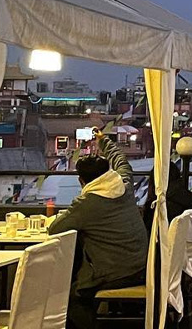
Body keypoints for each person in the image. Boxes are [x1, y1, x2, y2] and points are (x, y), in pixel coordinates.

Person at [50, 131, 149, 329]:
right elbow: (121, 161)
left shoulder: (87, 203)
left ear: (81, 181)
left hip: (117, 272)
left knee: (72, 295)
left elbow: (55, 229)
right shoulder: (124, 185)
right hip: (142, 265)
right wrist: (103, 140)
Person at [143, 161, 192, 231]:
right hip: (185, 237)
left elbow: (148, 230)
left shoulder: (156, 203)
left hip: (161, 239)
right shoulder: (190, 198)